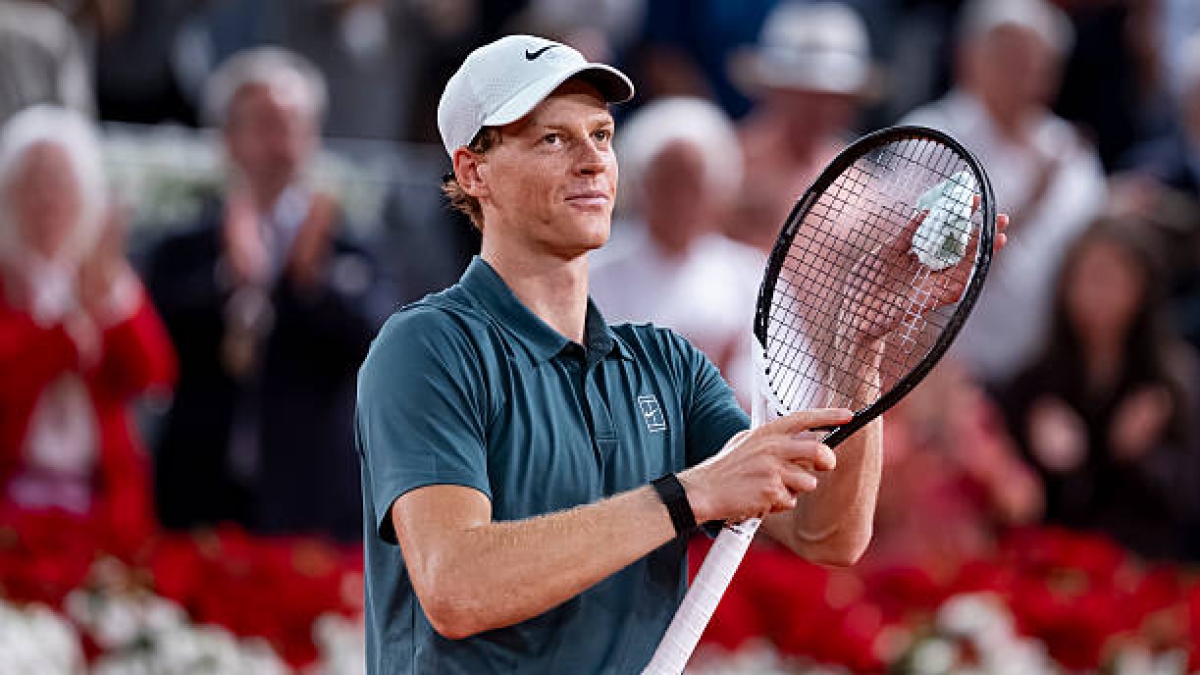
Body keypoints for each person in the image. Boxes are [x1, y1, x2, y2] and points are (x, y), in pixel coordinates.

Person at [355, 35, 1009, 672]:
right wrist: (687, 493)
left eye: (602, 136)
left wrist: (859, 349)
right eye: (552, 138)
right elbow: (458, 587)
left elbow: (825, 534)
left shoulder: (668, 365)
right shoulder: (426, 346)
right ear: (474, 170)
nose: (591, 160)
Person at [146, 47, 390, 542]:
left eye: (291, 125)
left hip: (311, 499)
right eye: (262, 124)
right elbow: (157, 339)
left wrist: (309, 282)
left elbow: (376, 340)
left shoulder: (348, 245)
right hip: (201, 491)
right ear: (228, 138)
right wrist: (228, 280)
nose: (279, 143)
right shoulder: (186, 246)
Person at [903, 0, 1107, 386]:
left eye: (1035, 60)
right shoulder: (929, 138)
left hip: (1046, 383)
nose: (1023, 71)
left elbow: (1089, 266)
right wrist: (1030, 202)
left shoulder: (1072, 153)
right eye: (1007, 55)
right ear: (968, 58)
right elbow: (908, 263)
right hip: (941, 378)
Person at [0, 105, 175, 547]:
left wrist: (108, 305)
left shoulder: (103, 275)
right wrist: (60, 338)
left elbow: (153, 373)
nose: (46, 198)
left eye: (58, 181)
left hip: (99, 497)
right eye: (31, 182)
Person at [995, 217, 1200, 562]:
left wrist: (1143, 456)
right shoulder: (1034, 382)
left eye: (1110, 280)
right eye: (1086, 278)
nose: (1095, 295)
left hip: (1146, 564)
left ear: (1142, 289)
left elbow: (1188, 497)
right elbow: (1012, 497)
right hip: (1051, 562)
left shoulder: (1173, 381)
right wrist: (1040, 459)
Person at [590, 97, 763, 405]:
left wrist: (724, 382)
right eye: (667, 182)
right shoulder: (593, 270)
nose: (680, 200)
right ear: (641, 185)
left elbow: (785, 390)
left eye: (693, 184)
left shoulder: (749, 274)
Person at [728, 1, 878, 254]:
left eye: (831, 97)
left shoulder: (860, 186)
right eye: (802, 94)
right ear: (772, 89)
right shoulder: (725, 164)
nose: (818, 108)